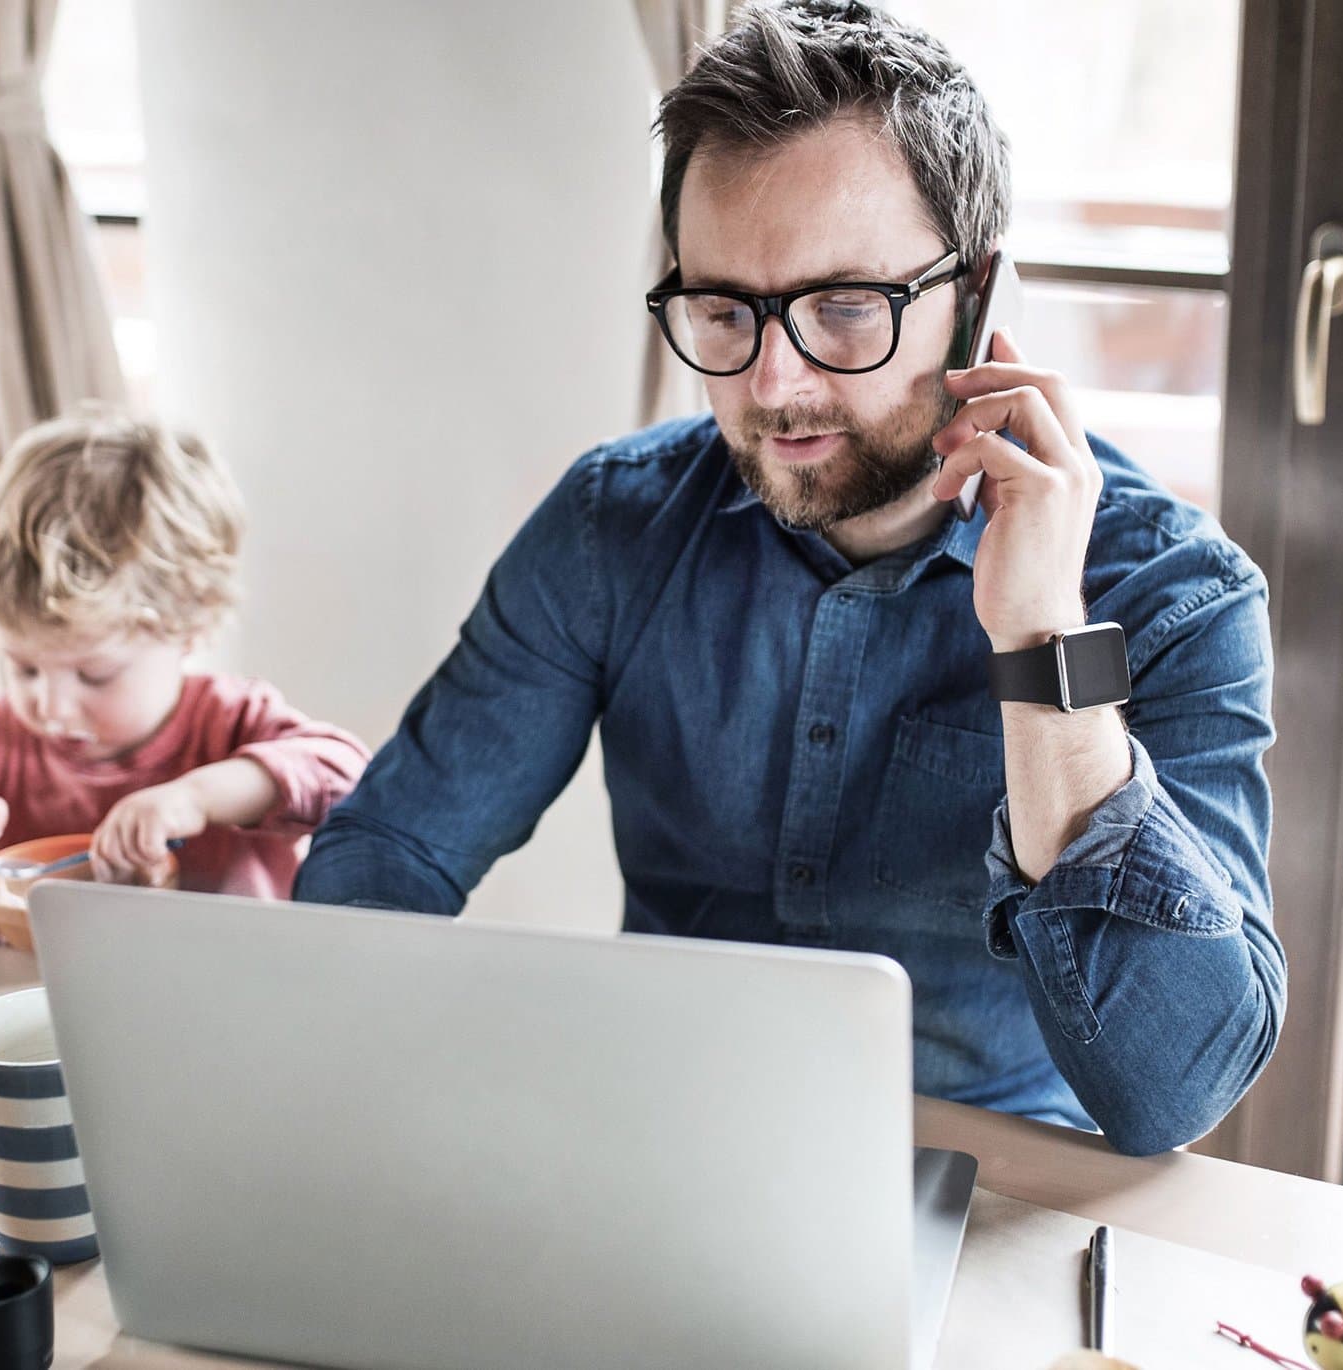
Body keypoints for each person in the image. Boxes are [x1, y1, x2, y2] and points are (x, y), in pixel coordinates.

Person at [293, 0, 1282, 1156]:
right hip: (653, 1151)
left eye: (845, 307)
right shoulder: (613, 528)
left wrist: (1041, 634)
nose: (772, 383)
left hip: (991, 1191)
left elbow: (1176, 1088)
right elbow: (394, 852)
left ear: (978, 296)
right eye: (724, 310)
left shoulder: (1173, 596)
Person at [0, 410, 369, 944]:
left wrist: (196, 798)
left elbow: (347, 775)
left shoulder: (229, 723)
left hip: (238, 998)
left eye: (94, 674)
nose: (50, 704)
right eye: (24, 667)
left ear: (191, 626)